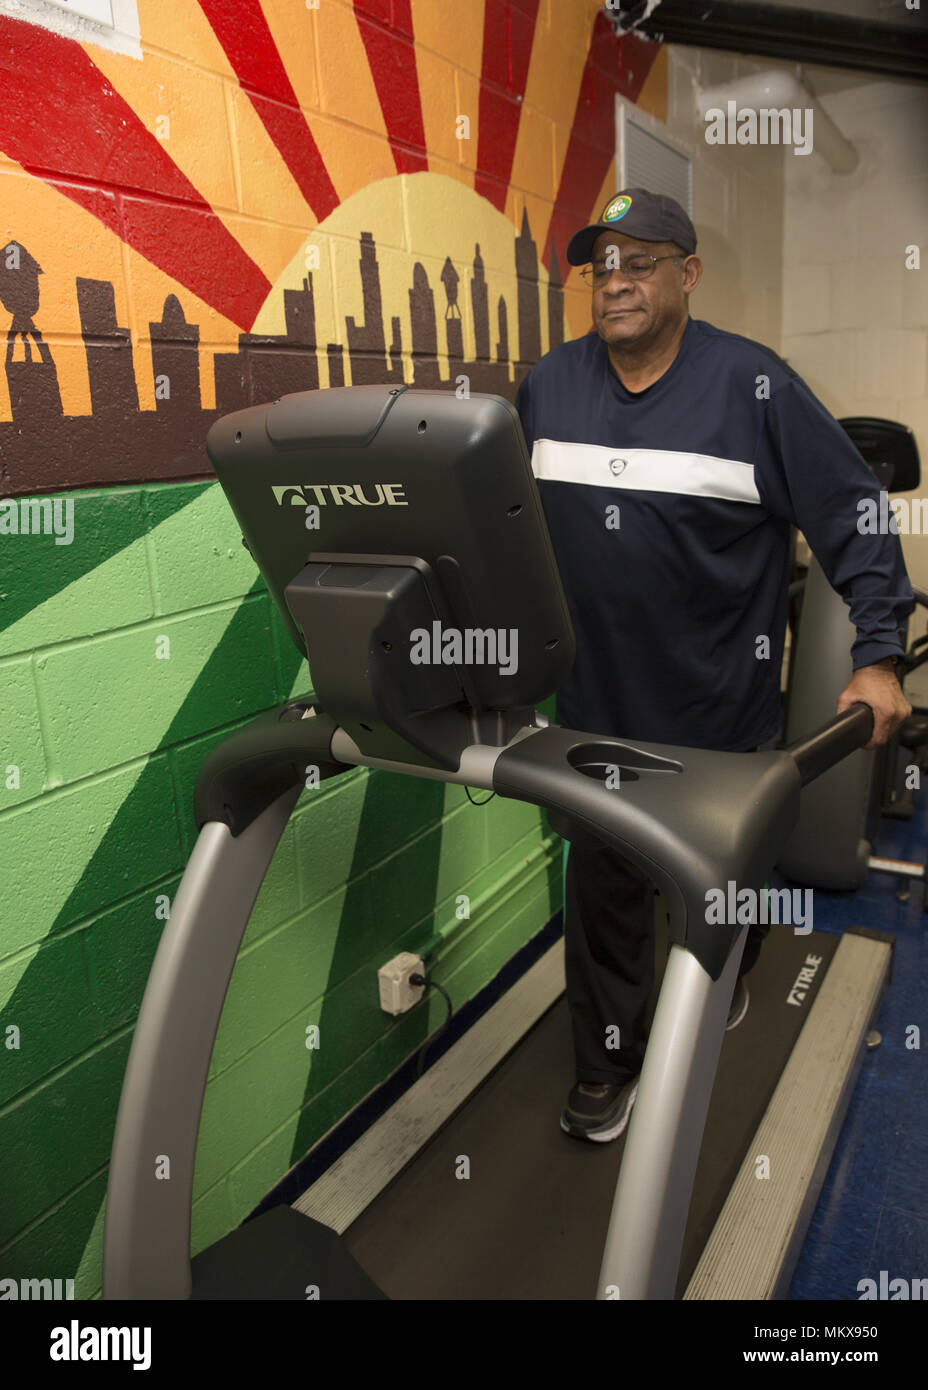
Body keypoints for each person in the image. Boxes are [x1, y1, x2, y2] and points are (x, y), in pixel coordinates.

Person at [514, 187, 913, 1142]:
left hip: (719, 713)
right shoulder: (548, 387)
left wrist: (880, 654)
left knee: (722, 888)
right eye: (600, 264)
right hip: (595, 710)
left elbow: (857, 509)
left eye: (639, 261)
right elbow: (500, 524)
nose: (615, 282)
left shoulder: (754, 388)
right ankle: (607, 1067)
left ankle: (724, 973)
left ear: (687, 274)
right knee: (605, 885)